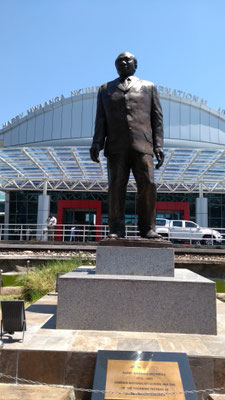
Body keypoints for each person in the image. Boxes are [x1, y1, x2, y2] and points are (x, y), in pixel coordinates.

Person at [90, 52, 164, 239]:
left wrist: (159, 145)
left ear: (135, 65)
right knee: (115, 187)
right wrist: (97, 143)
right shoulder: (105, 89)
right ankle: (116, 229)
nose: (123, 62)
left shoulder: (149, 87)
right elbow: (101, 119)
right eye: (119, 60)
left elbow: (157, 118)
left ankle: (147, 228)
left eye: (127, 60)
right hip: (115, 146)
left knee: (148, 184)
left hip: (143, 145)